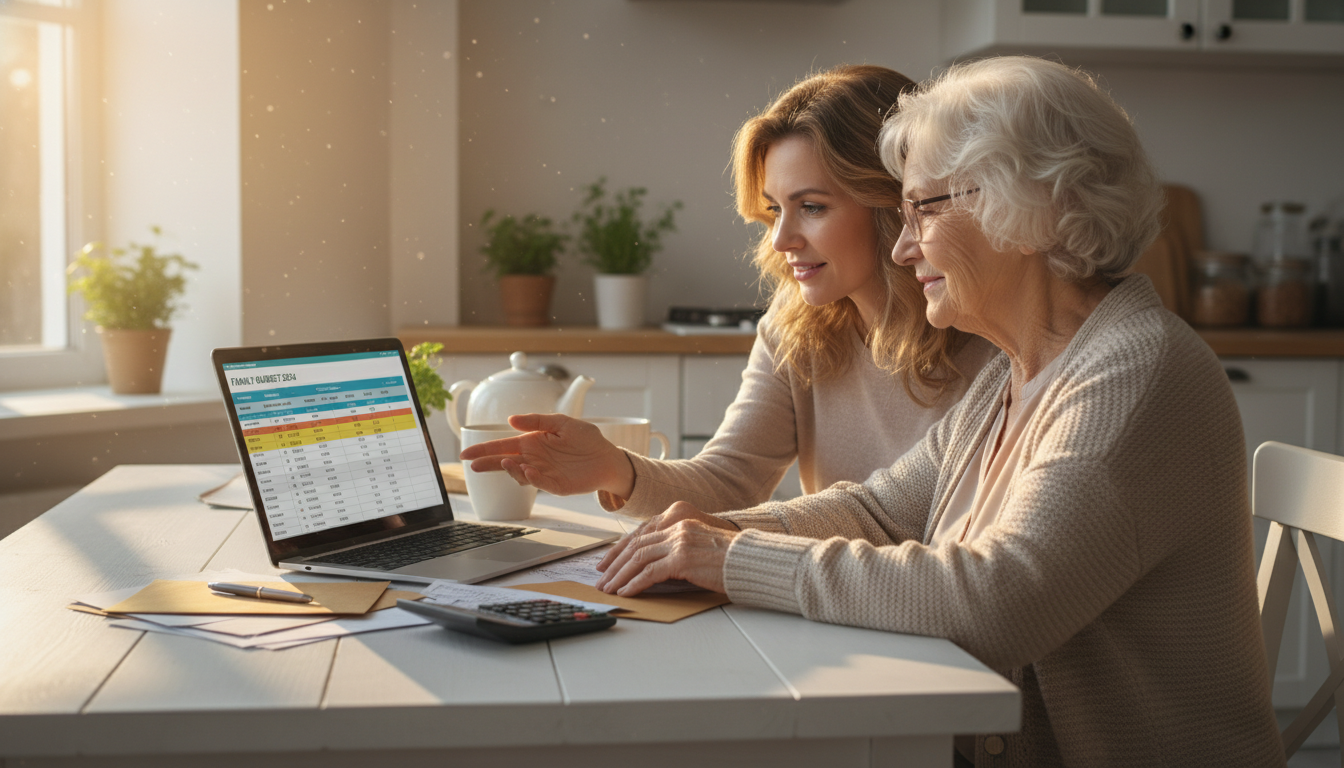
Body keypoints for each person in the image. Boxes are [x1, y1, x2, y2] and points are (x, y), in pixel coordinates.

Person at [593, 57, 1284, 766]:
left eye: (922, 208)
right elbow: (878, 512)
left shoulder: (1134, 374)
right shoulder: (1023, 370)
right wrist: (706, 536)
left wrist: (734, 558)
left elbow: (1001, 600)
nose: (901, 244)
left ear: (1028, 207)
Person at [462, 65, 995, 514]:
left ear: (895, 202)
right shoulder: (797, 325)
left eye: (812, 207)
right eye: (775, 209)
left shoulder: (991, 335)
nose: (782, 239)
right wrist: (615, 468)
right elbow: (728, 479)